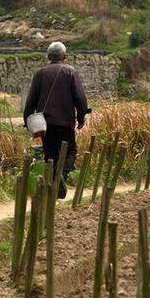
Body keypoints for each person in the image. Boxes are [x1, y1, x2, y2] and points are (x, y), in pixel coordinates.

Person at [23, 41, 90, 199]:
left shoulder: (40, 73)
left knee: (50, 153)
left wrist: (27, 120)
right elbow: (80, 98)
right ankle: (62, 177)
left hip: (45, 123)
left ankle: (54, 184)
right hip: (66, 123)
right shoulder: (70, 72)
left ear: (48, 56)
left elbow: (31, 99)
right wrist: (81, 117)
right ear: (64, 56)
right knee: (70, 151)